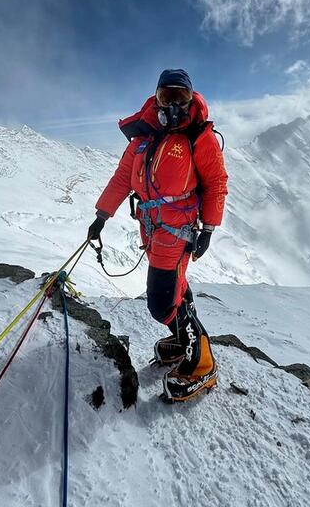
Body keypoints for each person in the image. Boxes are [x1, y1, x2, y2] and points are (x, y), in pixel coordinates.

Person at [87, 68, 228, 402]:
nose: (174, 106)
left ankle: (202, 362)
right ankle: (183, 342)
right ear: (157, 98)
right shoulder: (143, 138)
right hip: (152, 230)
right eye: (167, 98)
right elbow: (123, 179)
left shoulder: (199, 138)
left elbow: (216, 184)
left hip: (176, 232)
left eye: (181, 98)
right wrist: (101, 215)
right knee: (175, 288)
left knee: (161, 302)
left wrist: (208, 228)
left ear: (191, 99)